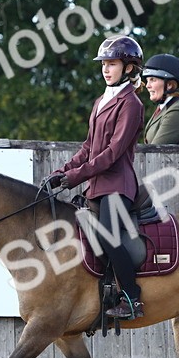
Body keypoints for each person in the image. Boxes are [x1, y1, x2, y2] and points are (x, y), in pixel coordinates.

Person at [44, 34, 146, 320]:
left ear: (128, 68)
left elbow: (112, 153)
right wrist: (61, 172)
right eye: (103, 64)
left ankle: (132, 299)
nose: (105, 69)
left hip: (118, 186)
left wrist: (75, 177)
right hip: (96, 187)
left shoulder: (132, 104)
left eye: (112, 64)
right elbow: (88, 148)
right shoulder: (101, 100)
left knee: (108, 237)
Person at [141, 53, 179, 145]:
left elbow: (156, 149)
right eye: (147, 80)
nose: (147, 85)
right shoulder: (164, 108)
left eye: (152, 80)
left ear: (169, 85)